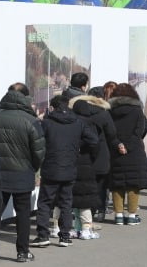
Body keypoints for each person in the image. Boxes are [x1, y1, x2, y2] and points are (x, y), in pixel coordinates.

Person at [30, 93, 99, 248]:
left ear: (52, 107)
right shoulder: (78, 122)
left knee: (45, 202)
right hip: (70, 168)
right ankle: (65, 236)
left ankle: (43, 235)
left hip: (50, 168)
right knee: (66, 202)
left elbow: (36, 139)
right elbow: (94, 139)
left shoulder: (46, 123)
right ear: (68, 106)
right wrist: (76, 146)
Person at [0, 83, 45, 263]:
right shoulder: (31, 120)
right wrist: (33, 168)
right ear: (27, 99)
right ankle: (22, 251)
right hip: (23, 173)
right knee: (23, 214)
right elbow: (39, 152)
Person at [70, 91, 121, 224]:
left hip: (79, 155)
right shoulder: (103, 113)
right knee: (100, 184)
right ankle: (99, 211)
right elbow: (112, 134)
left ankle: (80, 214)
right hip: (101, 154)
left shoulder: (74, 112)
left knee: (80, 184)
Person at [109, 84, 147, 225]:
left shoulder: (110, 111)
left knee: (117, 184)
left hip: (115, 152)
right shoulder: (137, 111)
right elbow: (140, 131)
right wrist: (129, 146)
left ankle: (118, 215)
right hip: (134, 152)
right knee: (133, 184)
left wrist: (118, 145)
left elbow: (109, 132)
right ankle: (132, 216)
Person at [70, 99, 104, 240]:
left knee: (75, 200)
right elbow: (95, 144)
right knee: (86, 200)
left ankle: (76, 228)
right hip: (86, 163)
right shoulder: (90, 123)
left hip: (71, 163)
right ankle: (86, 229)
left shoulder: (71, 122)